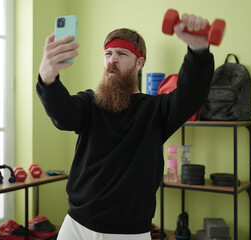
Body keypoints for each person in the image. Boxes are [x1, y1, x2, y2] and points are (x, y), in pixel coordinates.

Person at [37, 12, 215, 240]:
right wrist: (47, 78)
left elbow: (191, 94)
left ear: (139, 63)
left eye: (121, 53)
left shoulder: (156, 110)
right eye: (108, 53)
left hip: (128, 233)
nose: (112, 59)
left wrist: (199, 52)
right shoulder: (89, 103)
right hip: (75, 226)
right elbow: (62, 114)